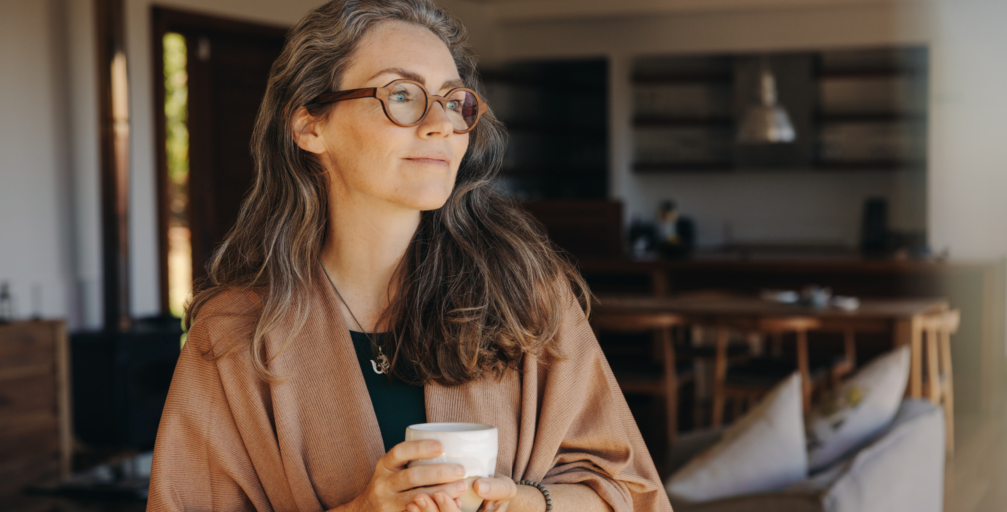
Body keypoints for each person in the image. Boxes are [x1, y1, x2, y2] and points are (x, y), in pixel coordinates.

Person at [147, 1, 671, 511]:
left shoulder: (525, 295)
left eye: (452, 100)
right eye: (402, 95)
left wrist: (524, 504)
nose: (441, 123)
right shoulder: (236, 332)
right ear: (309, 126)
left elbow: (628, 492)